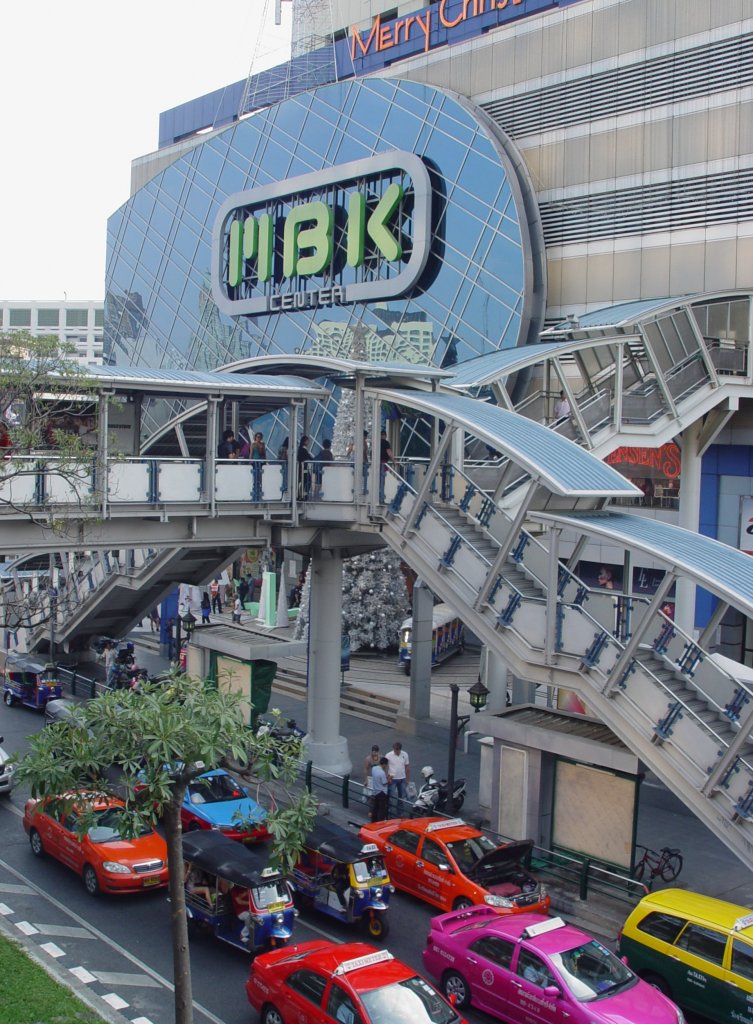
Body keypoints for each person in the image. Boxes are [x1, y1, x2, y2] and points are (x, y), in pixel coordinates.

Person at [385, 741, 410, 815]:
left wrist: (407, 779)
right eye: (395, 749)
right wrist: (387, 778)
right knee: (390, 795)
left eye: (397, 749)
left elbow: (407, 766)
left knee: (401, 796)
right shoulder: (388, 755)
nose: (396, 751)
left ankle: (400, 812)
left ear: (400, 749)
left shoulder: (405, 754)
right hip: (392, 779)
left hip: (402, 778)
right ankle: (388, 809)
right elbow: (386, 767)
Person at [370, 757, 390, 823]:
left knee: (375, 808)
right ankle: (380, 823)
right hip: (382, 792)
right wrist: (389, 779)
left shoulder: (374, 769)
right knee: (382, 810)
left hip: (375, 791)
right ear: (384, 764)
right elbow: (384, 783)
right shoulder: (382, 773)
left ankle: (373, 821)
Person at [297, 435, 313, 499]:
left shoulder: (300, 448)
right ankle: (304, 494)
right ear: (304, 441)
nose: (308, 442)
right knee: (307, 480)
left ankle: (301, 494)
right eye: (307, 441)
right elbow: (308, 457)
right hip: (303, 468)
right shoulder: (303, 449)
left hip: (302, 468)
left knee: (303, 481)